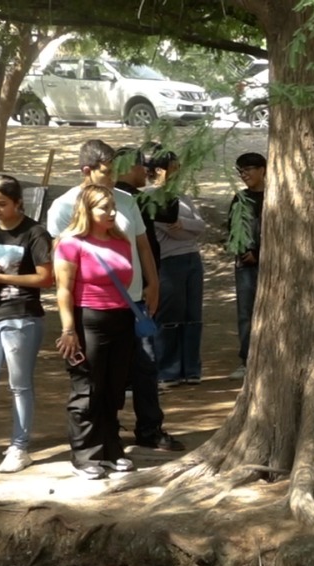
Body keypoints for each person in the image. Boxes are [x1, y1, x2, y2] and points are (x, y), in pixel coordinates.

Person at [53, 185, 139, 479]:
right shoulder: (70, 243)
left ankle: (111, 449)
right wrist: (69, 330)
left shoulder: (121, 241)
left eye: (113, 206)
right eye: (104, 207)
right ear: (86, 211)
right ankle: (84, 454)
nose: (112, 212)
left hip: (121, 319)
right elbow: (63, 290)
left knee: (114, 387)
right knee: (88, 388)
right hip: (87, 320)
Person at [109, 147, 183, 454]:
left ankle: (149, 429)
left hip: (140, 294)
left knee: (145, 363)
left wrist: (152, 284)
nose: (146, 172)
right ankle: (109, 427)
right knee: (122, 365)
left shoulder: (137, 198)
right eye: (142, 166)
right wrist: (166, 180)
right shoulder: (119, 199)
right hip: (112, 297)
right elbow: (169, 209)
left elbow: (169, 213)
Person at [0, 174, 53, 474]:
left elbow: (46, 278)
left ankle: (19, 447)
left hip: (21, 316)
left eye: (2, 204)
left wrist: (1, 278)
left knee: (19, 385)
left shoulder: (34, 233)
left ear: (18, 203)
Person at [147, 152, 206, 387]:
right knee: (170, 315)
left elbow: (200, 226)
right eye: (174, 166)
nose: (178, 170)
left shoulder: (182, 196)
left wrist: (185, 224)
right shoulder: (151, 197)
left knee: (193, 315)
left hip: (192, 259)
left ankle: (191, 368)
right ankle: (168, 370)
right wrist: (186, 228)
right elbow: (172, 229)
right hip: (169, 260)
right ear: (159, 170)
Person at [225, 151, 264, 379]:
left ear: (262, 170)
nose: (244, 174)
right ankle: (247, 360)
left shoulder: (275, 197)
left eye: (248, 169)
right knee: (246, 312)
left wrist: (260, 253)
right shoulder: (240, 198)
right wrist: (244, 252)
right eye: (241, 171)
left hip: (272, 264)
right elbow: (232, 230)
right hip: (246, 265)